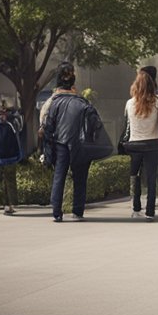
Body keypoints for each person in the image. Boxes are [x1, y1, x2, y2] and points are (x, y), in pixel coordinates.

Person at [39, 63, 97, 223]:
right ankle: (78, 211)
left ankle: (57, 212)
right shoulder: (82, 101)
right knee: (80, 178)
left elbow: (46, 126)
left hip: (60, 144)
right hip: (80, 144)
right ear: (73, 81)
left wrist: (47, 147)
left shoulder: (52, 102)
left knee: (59, 176)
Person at [124, 71, 158, 220]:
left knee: (134, 176)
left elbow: (127, 123)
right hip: (153, 143)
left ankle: (136, 208)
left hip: (134, 144)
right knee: (151, 177)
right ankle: (150, 211)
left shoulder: (130, 103)